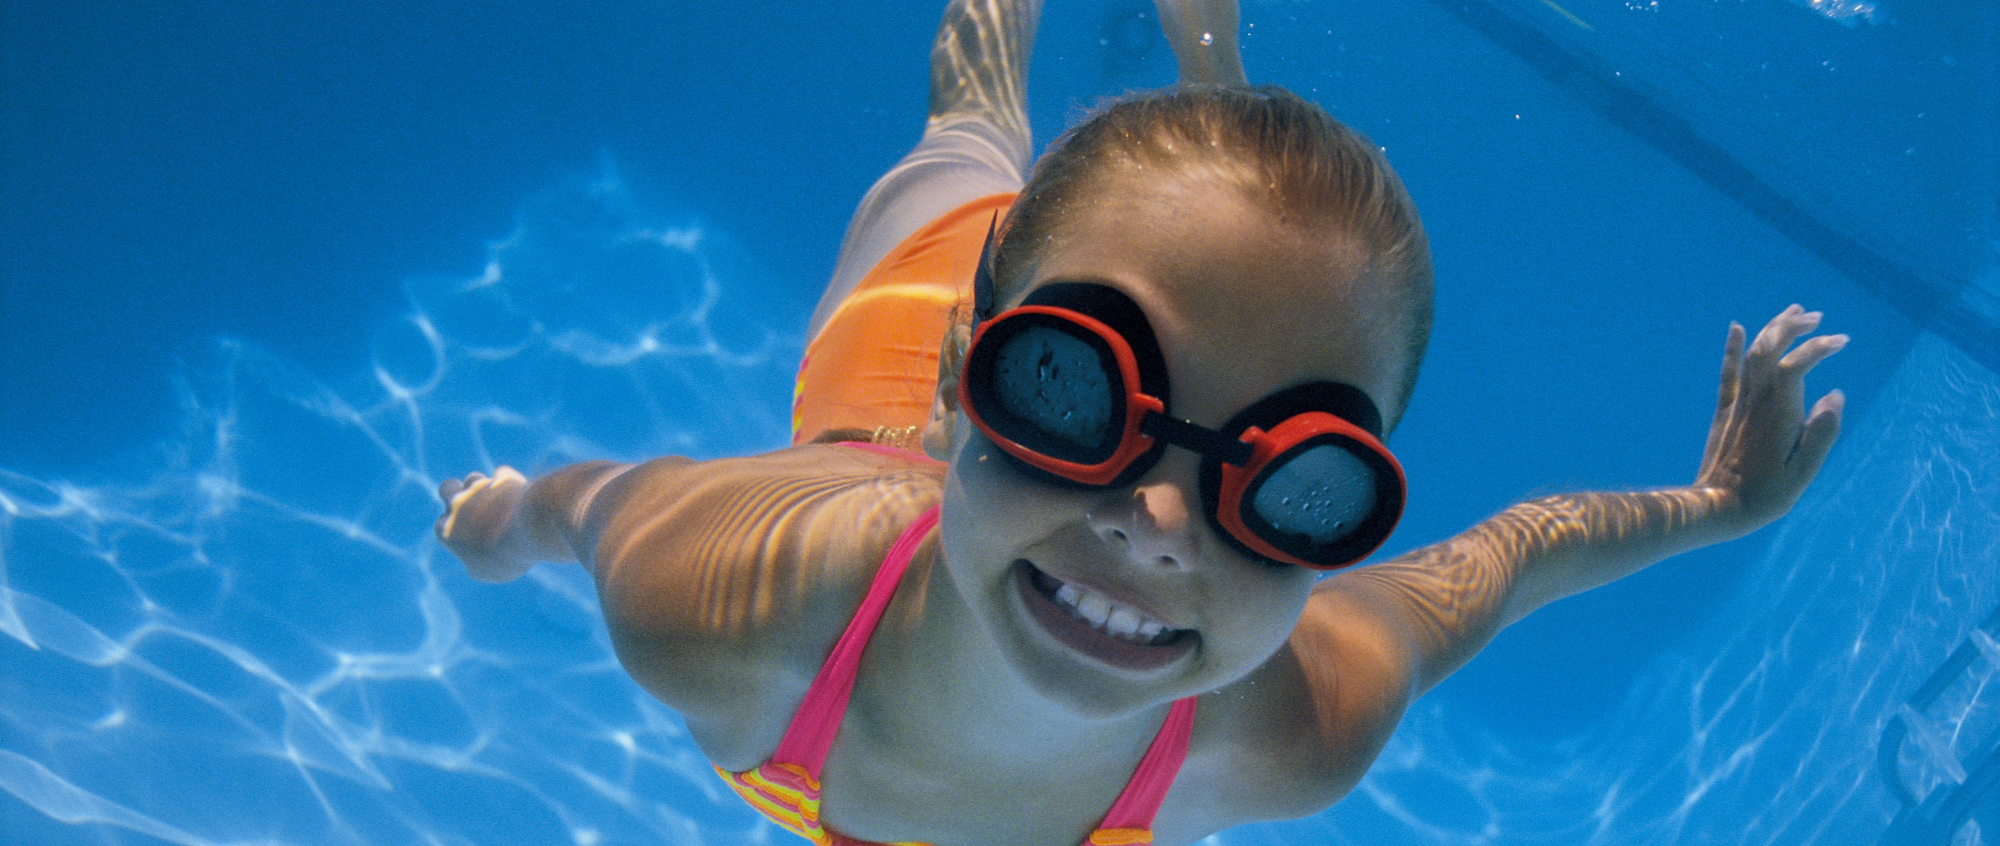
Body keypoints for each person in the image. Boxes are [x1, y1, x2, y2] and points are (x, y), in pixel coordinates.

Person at [433, 1, 1848, 844]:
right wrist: (496, 523)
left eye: (1292, 483)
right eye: (1067, 392)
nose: (1157, 525)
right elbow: (580, 504)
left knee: (1216, 243)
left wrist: (1720, 507)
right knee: (971, 129)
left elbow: (1510, 558)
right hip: (894, 336)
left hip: (1028, 303)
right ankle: (1189, 80)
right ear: (968, 372)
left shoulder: (1289, 728)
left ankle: (1207, 78)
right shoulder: (730, 603)